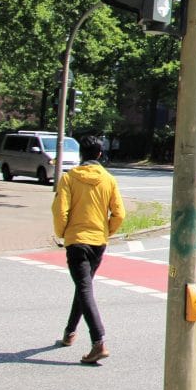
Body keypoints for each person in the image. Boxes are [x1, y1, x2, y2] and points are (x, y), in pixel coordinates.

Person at [51, 135, 125, 364]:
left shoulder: (69, 178)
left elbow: (60, 211)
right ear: (100, 155)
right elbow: (119, 213)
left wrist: (63, 233)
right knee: (83, 286)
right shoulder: (109, 179)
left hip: (77, 241)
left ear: (82, 155)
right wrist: (106, 231)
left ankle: (98, 341)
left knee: (83, 287)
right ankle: (70, 333)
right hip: (98, 242)